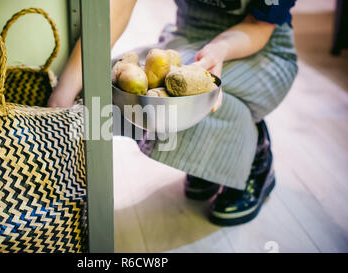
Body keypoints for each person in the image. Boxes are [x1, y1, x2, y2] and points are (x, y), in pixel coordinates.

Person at [48, 0, 298, 226]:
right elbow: (117, 6)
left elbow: (260, 25)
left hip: (256, 47)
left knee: (176, 93)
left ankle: (256, 153)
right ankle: (211, 157)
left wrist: (218, 51)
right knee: (110, 86)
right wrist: (65, 91)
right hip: (188, 37)